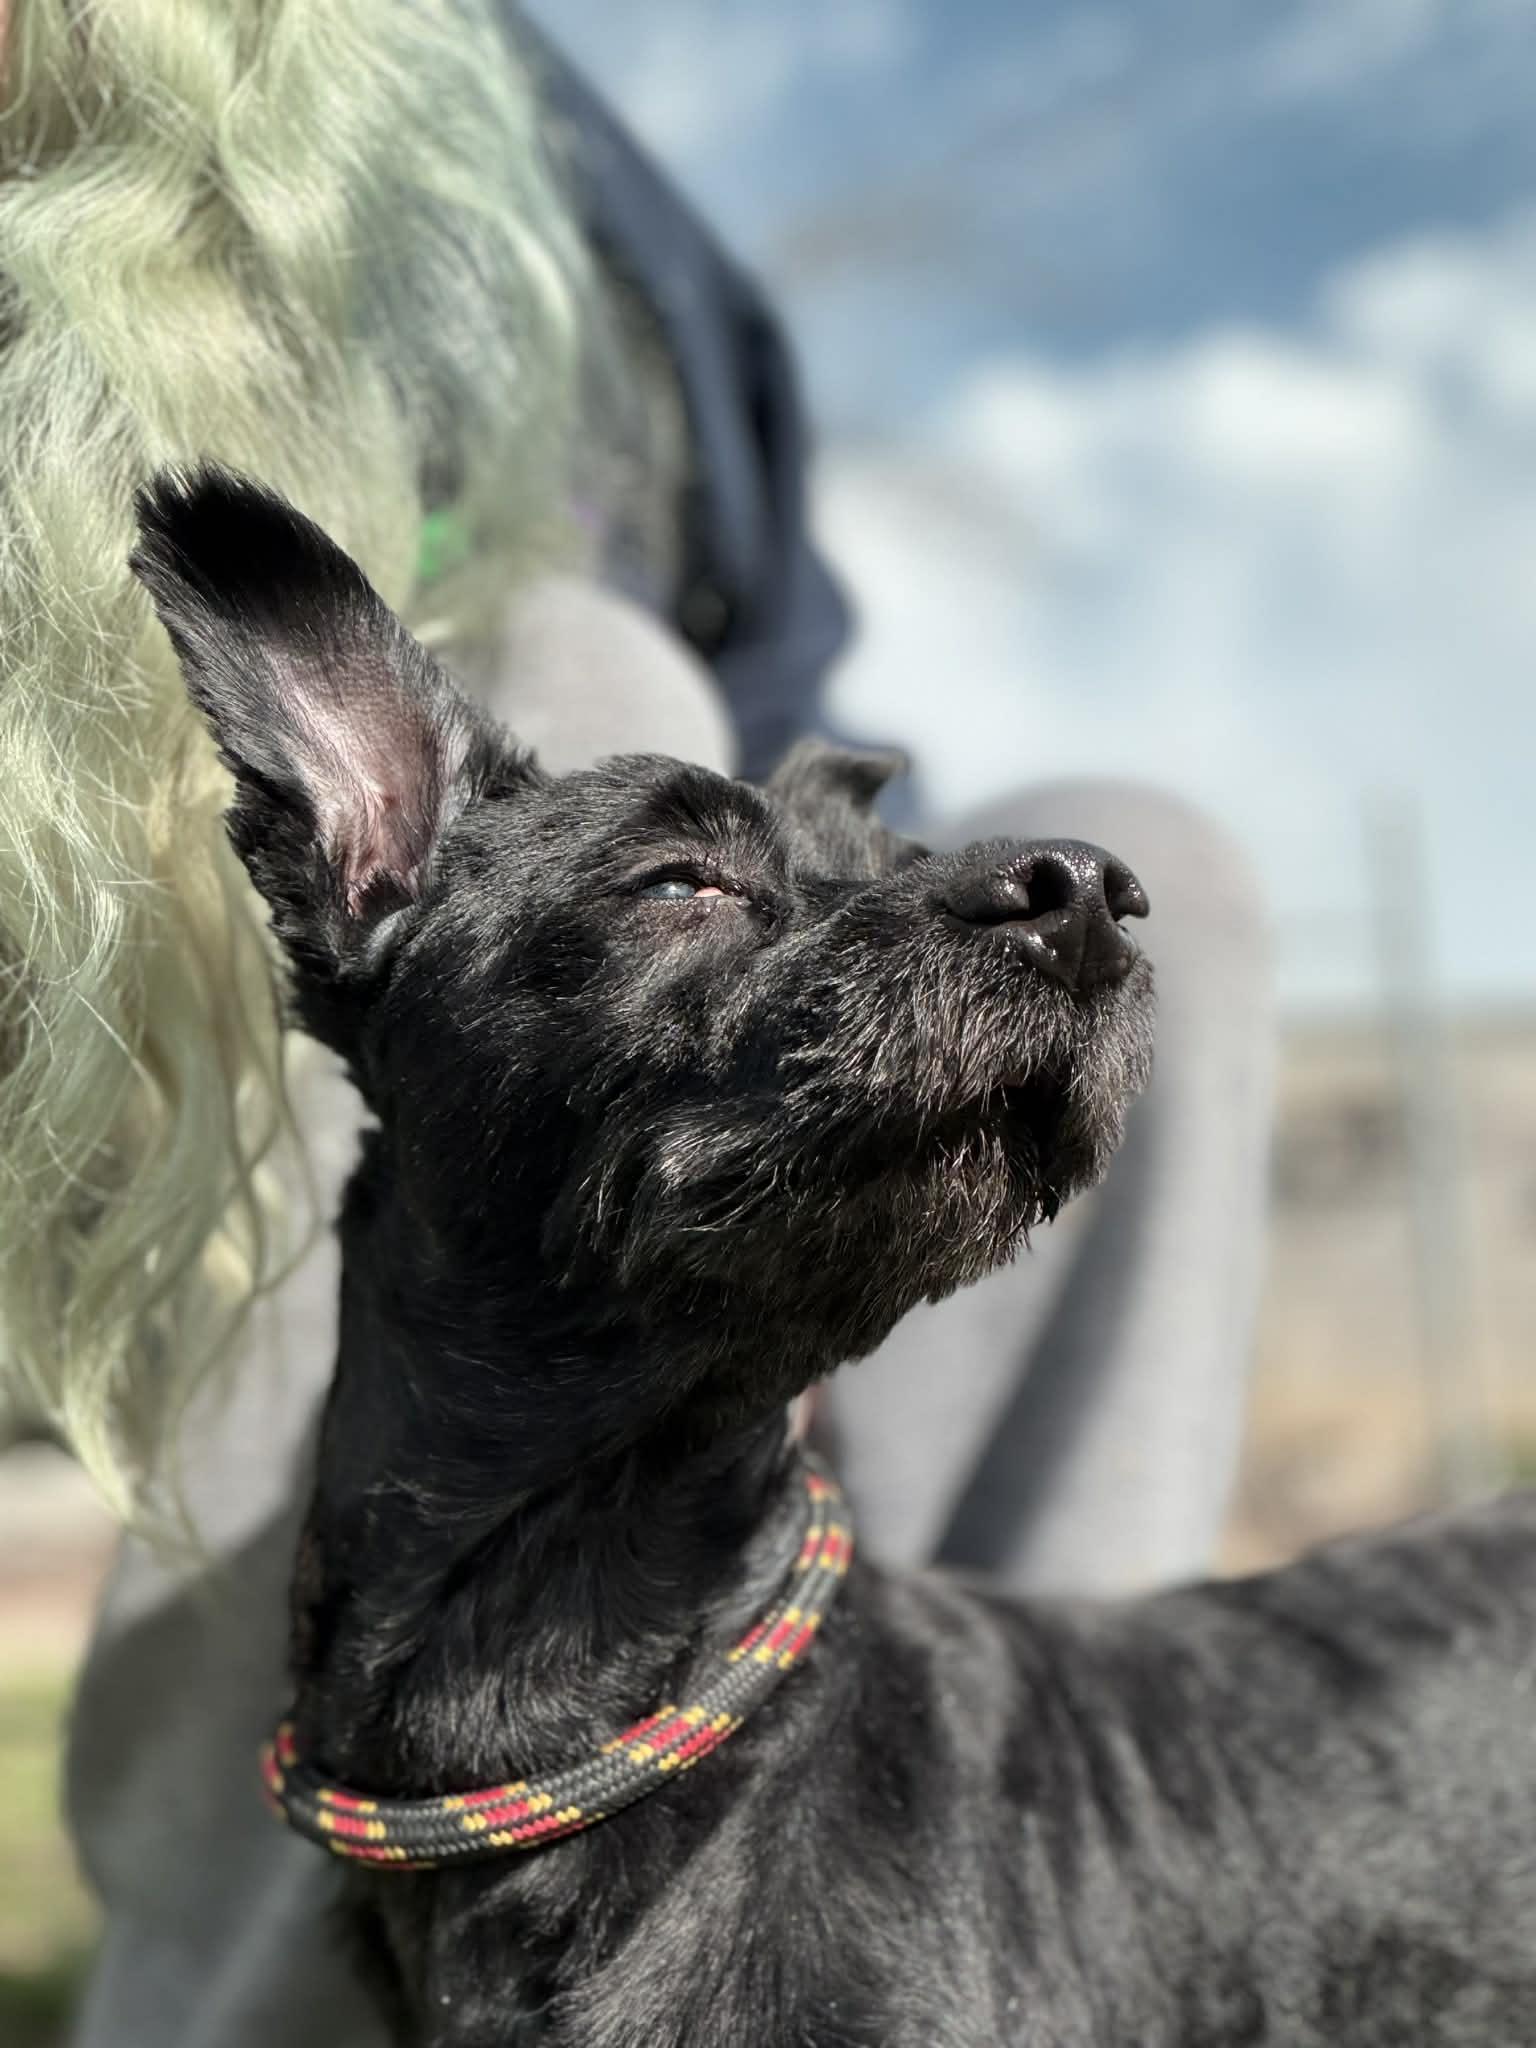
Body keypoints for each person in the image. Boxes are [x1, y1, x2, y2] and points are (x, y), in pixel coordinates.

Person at [0, 7, 1270, 2043]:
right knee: (584, 667)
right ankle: (271, 1984)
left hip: (675, 906)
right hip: (145, 923)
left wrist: (853, 938)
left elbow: (791, 689)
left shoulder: (581, 182)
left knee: (1155, 867)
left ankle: (1008, 1888)